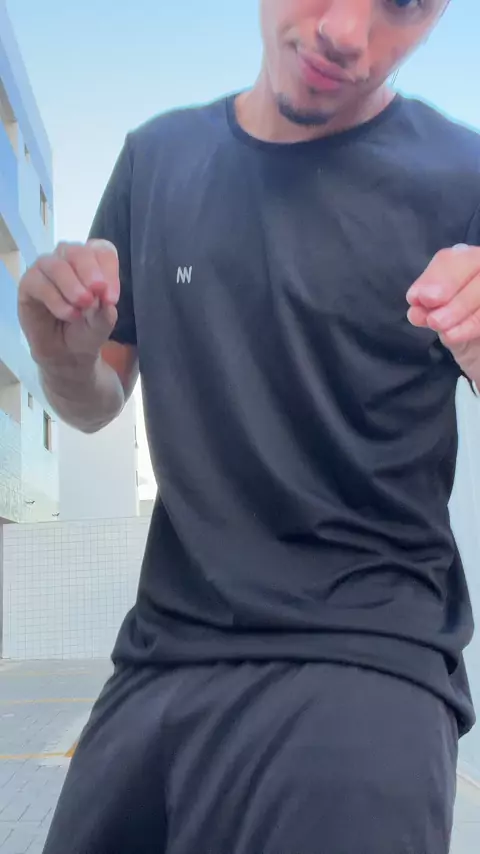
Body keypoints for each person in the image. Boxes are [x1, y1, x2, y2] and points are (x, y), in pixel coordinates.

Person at [18, 1, 480, 852]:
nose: (347, 32)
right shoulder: (156, 160)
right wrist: (60, 360)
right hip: (160, 653)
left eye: (404, 2)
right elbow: (95, 401)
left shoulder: (465, 176)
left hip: (368, 663)